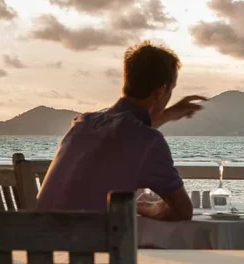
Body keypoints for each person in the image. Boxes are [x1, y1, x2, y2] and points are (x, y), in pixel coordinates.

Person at [37, 42, 206, 219]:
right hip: (88, 245)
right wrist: (143, 207)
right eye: (171, 90)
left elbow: (123, 134)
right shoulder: (149, 141)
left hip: (36, 242)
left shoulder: (82, 124)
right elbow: (182, 210)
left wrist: (168, 114)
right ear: (162, 89)